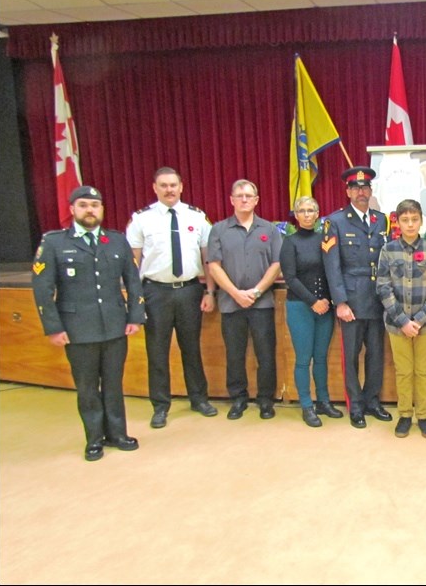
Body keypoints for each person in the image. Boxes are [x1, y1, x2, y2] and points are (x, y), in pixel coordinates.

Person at [32, 186, 145, 461]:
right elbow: (42, 288)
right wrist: (54, 327)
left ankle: (117, 433)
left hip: (115, 324)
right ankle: (94, 438)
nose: (90, 210)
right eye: (83, 205)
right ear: (72, 209)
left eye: (95, 205)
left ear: (102, 209)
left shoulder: (116, 241)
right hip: (77, 329)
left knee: (114, 384)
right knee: (86, 387)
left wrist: (135, 316)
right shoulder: (54, 242)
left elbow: (133, 280)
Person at [126, 166, 218, 429]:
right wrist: (136, 300)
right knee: (157, 351)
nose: (169, 190)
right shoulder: (142, 219)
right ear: (155, 188)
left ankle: (199, 399)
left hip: (190, 290)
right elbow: (132, 264)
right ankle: (160, 406)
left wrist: (209, 292)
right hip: (156, 292)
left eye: (173, 185)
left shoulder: (197, 217)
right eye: (163, 185)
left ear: (181, 186)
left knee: (192, 349)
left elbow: (207, 258)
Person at [207, 179, 282, 420]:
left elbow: (277, 264)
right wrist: (235, 293)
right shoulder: (219, 230)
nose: (244, 199)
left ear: (257, 200)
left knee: (265, 353)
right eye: (239, 195)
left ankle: (265, 400)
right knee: (235, 354)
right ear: (231, 200)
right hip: (231, 303)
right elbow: (213, 266)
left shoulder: (269, 230)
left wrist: (257, 292)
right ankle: (238, 398)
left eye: (249, 195)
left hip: (262, 303)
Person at [322, 165, 391, 429]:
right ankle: (356, 406)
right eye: (356, 188)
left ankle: (372, 400)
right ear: (348, 191)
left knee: (376, 353)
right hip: (350, 299)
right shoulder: (335, 222)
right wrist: (339, 301)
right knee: (351, 356)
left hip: (377, 299)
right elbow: (332, 265)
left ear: (371, 190)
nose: (361, 192)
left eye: (365, 188)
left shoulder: (381, 220)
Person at [376, 199, 426, 438]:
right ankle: (405, 414)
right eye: (405, 220)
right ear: (397, 221)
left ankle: (424, 415)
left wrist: (419, 318)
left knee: (423, 370)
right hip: (397, 325)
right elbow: (383, 287)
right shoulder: (388, 250)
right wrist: (404, 321)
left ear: (421, 220)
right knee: (403, 371)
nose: (410, 224)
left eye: (414, 219)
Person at [280, 196, 343, 427]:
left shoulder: (324, 240)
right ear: (296, 215)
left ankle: (323, 402)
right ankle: (307, 404)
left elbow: (331, 271)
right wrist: (313, 301)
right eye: (302, 211)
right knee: (303, 359)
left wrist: (326, 299)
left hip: (324, 307)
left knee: (321, 358)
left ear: (318, 214)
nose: (307, 215)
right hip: (300, 306)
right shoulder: (290, 242)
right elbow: (291, 278)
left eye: (311, 210)